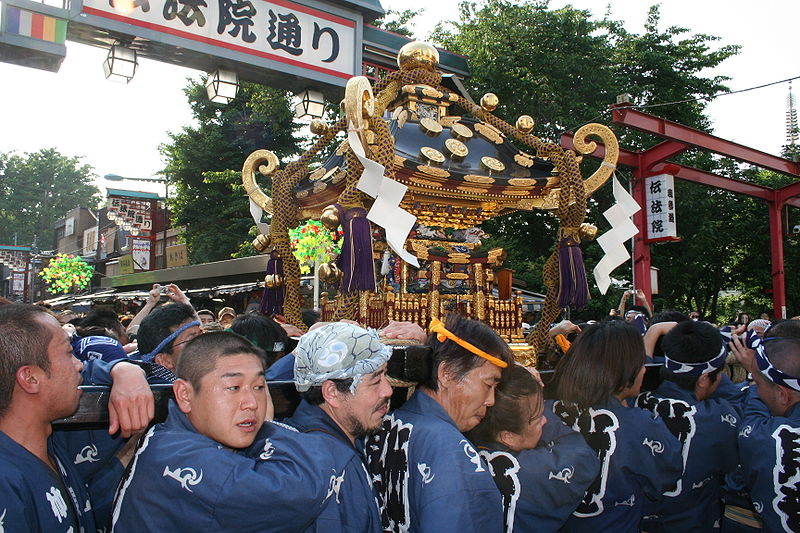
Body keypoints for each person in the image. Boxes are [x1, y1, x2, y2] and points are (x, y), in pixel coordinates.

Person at [111, 331, 337, 532]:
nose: (252, 403)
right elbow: (300, 490)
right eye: (234, 388)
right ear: (185, 395)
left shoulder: (182, 437)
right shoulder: (176, 454)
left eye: (259, 387)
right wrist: (268, 428)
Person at [0, 304, 154, 532]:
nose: (80, 364)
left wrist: (123, 369)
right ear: (30, 378)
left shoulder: (51, 446)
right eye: (69, 353)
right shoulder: (6, 482)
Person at [366, 314, 514, 533]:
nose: (491, 400)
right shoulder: (452, 452)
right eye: (488, 384)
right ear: (446, 374)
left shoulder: (389, 422)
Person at [550, 320, 682, 533]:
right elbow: (668, 475)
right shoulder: (641, 425)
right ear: (624, 370)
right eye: (641, 363)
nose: (644, 371)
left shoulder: (547, 413)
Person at [634, 320, 739, 532]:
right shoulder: (717, 417)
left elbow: (643, 371)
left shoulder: (633, 402)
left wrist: (653, 332)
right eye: (720, 373)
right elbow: (740, 401)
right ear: (703, 379)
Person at [468, 364, 600, 533]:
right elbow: (583, 456)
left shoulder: (464, 447)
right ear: (508, 437)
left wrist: (525, 401)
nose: (544, 421)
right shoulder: (533, 471)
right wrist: (531, 400)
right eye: (538, 418)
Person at [284, 322, 390, 532]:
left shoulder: (300, 437)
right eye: (375, 380)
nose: (388, 390)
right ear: (331, 392)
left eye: (386, 375)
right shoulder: (336, 466)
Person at [731, 333, 800, 533]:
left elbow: (752, 416)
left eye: (759, 386)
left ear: (782, 394)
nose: (758, 391)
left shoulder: (762, 437)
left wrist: (753, 376)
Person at [135, 302, 201, 383]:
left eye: (202, 336)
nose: (205, 345)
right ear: (165, 361)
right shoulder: (165, 393)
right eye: (192, 341)